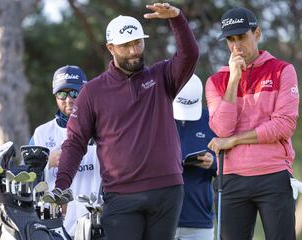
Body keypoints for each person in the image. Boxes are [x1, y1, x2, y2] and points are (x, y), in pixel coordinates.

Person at [55, 2, 199, 240]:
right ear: (111, 48)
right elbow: (75, 143)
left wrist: (177, 19)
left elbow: (190, 54)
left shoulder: (162, 76)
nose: (134, 51)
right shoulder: (92, 91)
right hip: (121, 195)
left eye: (137, 43)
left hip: (167, 190)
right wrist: (61, 187)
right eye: (126, 46)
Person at [205, 7, 300, 240]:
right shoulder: (216, 81)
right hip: (231, 179)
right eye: (230, 39)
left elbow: (284, 125)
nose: (236, 46)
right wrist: (233, 80)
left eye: (242, 37)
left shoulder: (283, 70)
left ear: (257, 33)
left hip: (273, 175)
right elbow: (221, 129)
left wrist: (235, 139)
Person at [30, 65, 102, 237]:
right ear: (55, 96)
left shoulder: (102, 128)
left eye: (75, 93)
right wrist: (46, 162)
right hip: (55, 226)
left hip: (95, 224)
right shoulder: (41, 133)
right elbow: (26, 178)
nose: (68, 99)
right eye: (62, 94)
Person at [173, 74, 216, 240]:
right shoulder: (158, 118)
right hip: (161, 218)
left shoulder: (210, 120)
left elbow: (227, 166)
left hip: (198, 220)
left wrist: (213, 162)